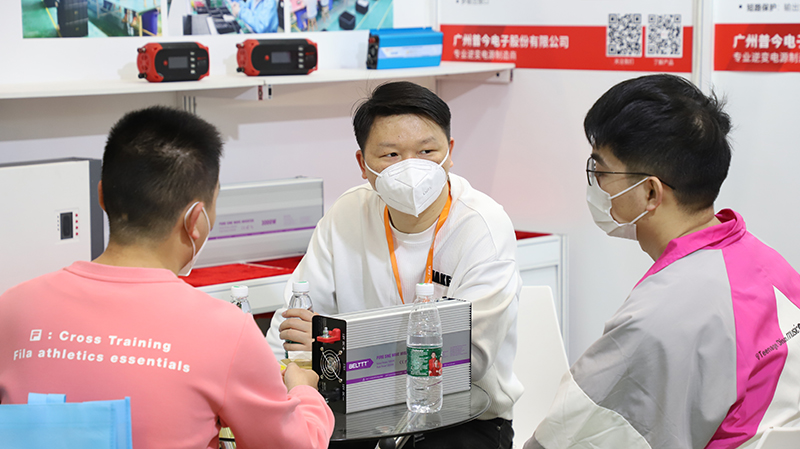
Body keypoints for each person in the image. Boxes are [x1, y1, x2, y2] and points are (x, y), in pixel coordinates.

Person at [0, 106, 334, 449]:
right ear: (196, 218)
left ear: (101, 196)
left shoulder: (12, 307)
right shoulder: (226, 330)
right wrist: (305, 391)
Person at [524, 74, 800, 449]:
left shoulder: (660, 316)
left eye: (600, 171)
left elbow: (566, 440)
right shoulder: (769, 263)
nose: (595, 184)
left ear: (650, 192)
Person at [267, 81, 523, 448]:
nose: (411, 168)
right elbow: (292, 327)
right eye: (391, 155)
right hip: (355, 410)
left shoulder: (482, 225)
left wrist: (340, 348)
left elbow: (467, 360)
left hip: (459, 415)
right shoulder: (347, 213)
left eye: (426, 151)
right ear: (363, 164)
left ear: (450, 153)